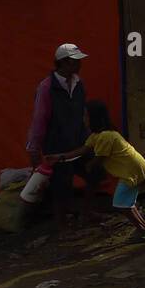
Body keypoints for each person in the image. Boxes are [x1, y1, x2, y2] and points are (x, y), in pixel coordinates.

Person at [47, 100, 145, 241]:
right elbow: (82, 150)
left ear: (94, 118)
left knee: (121, 205)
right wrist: (60, 157)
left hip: (131, 173)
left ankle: (142, 229)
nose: (83, 119)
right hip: (135, 170)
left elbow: (99, 158)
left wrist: (89, 165)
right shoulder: (97, 136)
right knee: (126, 204)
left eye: (86, 116)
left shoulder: (106, 137)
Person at [25, 43, 103, 235]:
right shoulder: (46, 88)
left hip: (78, 142)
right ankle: (61, 225)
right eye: (75, 61)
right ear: (64, 63)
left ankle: (87, 211)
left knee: (95, 172)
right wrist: (34, 151)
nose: (79, 65)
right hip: (57, 145)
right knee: (61, 185)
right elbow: (39, 120)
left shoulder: (78, 84)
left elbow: (82, 113)